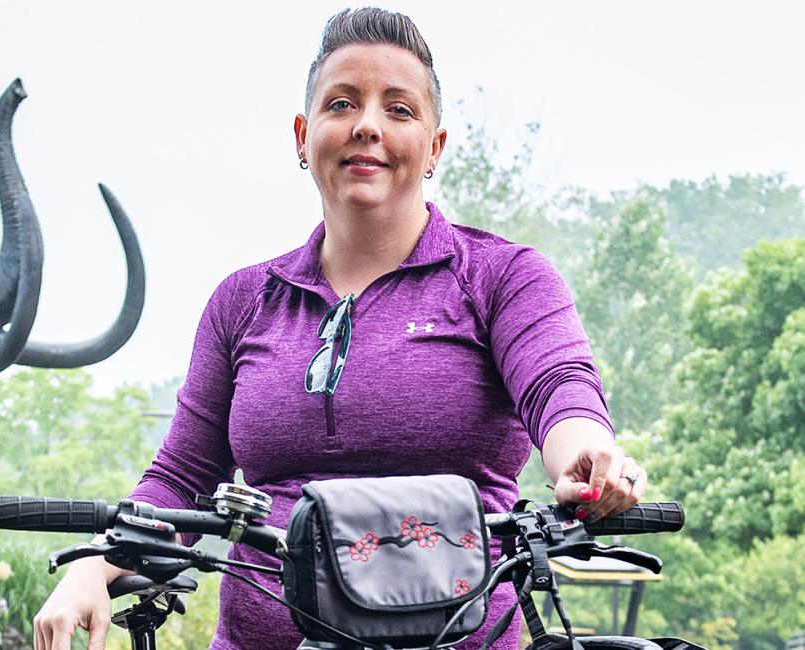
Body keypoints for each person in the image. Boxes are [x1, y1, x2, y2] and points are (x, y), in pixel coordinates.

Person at [33, 8, 648, 650]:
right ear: (304, 136)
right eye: (342, 103)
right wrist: (93, 567)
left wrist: (587, 454)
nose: (367, 125)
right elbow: (182, 476)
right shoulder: (243, 302)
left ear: (435, 147)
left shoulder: (503, 276)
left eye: (400, 110)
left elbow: (559, 385)